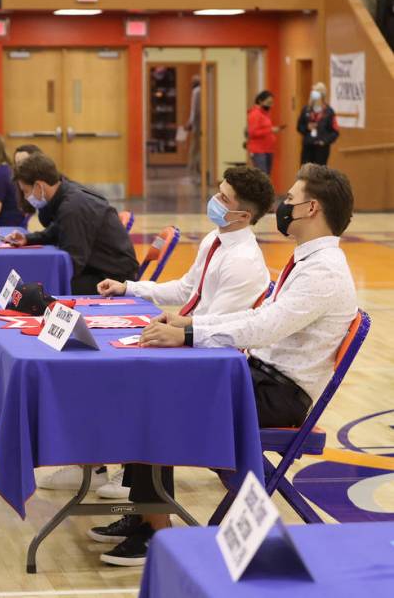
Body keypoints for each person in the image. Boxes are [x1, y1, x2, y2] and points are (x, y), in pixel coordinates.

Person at [90, 163, 357, 567]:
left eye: (291, 199)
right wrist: (190, 324)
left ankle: (155, 534)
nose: (284, 205)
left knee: (156, 401)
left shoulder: (324, 270)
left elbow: (263, 327)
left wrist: (191, 333)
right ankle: (147, 515)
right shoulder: (307, 259)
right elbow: (256, 318)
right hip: (259, 375)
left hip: (281, 393)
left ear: (311, 209)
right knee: (152, 390)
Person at [87, 166, 276, 499]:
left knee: (143, 388)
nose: (214, 200)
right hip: (192, 342)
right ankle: (123, 477)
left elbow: (219, 327)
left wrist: (178, 327)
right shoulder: (214, 240)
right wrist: (130, 287)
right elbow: (187, 288)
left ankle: (145, 503)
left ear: (244, 215)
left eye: (223, 198)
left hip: (212, 361)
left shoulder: (244, 260)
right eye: (217, 191)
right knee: (114, 362)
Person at [7, 152, 138, 294]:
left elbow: (73, 264)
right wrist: (28, 239)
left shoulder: (72, 208)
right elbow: (57, 229)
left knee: (45, 288)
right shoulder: (66, 193)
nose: (26, 197)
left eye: (26, 191)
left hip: (114, 278)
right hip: (101, 268)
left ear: (39, 186)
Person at [297, 82, 340, 166]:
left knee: (319, 176)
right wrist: (307, 127)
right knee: (305, 174)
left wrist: (324, 141)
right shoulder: (306, 110)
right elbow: (299, 127)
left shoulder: (329, 111)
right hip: (308, 147)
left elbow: (335, 132)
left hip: (321, 149)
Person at [246, 90, 281, 175]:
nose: (271, 105)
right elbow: (252, 133)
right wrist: (270, 130)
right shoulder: (255, 114)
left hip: (268, 149)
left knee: (266, 176)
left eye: (272, 102)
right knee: (262, 175)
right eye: (268, 102)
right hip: (258, 151)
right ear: (261, 101)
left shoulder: (265, 114)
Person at [185, 74, 202, 183]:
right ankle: (196, 169)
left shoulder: (196, 92)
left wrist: (190, 122)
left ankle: (193, 169)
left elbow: (194, 110)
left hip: (198, 125)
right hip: (199, 125)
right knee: (197, 149)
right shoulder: (202, 91)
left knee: (195, 148)